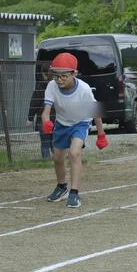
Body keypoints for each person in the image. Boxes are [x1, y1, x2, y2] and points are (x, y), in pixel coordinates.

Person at [41, 52, 108, 208]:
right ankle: (61, 187)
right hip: (61, 123)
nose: (59, 80)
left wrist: (101, 135)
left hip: (80, 123)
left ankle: (74, 192)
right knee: (57, 158)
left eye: (64, 76)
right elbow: (46, 112)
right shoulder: (52, 86)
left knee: (74, 153)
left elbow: (95, 112)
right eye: (56, 76)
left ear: (74, 74)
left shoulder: (84, 89)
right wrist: (46, 122)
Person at [27, 63, 53, 159]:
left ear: (43, 73)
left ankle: (46, 162)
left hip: (43, 120)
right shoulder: (57, 86)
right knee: (55, 142)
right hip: (57, 119)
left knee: (45, 144)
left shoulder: (40, 87)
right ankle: (59, 160)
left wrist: (30, 118)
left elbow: (34, 103)